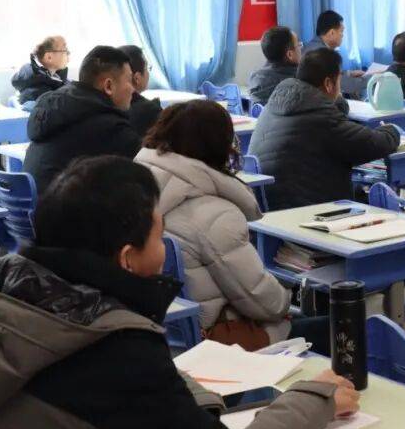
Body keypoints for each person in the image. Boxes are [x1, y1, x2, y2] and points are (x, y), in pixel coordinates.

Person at [0, 155, 358, 429]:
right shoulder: (115, 354)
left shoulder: (2, 303)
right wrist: (315, 398)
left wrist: (185, 398)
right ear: (127, 258)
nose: (165, 252)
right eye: (160, 236)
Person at [137, 100, 329, 352]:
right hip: (223, 341)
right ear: (219, 146)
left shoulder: (139, 191)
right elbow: (262, 300)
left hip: (167, 336)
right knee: (340, 328)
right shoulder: (215, 215)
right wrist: (287, 299)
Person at [248, 49, 400, 210]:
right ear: (328, 84)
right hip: (307, 208)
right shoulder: (322, 117)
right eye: (339, 80)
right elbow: (375, 144)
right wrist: (391, 130)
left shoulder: (275, 104)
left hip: (268, 206)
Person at [23, 45, 141, 193]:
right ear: (108, 86)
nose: (133, 89)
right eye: (129, 80)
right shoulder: (111, 127)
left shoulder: (54, 106)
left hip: (31, 203)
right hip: (62, 205)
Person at [304, 10, 366, 98]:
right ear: (332, 33)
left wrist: (349, 73)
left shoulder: (313, 45)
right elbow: (344, 85)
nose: (342, 35)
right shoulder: (322, 54)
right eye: (341, 31)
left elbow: (330, 75)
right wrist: (371, 78)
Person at [248, 26, 302, 107]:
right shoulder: (299, 81)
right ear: (290, 54)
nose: (301, 49)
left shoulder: (255, 77)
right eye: (299, 45)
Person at [11, 35, 70, 106]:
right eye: (65, 50)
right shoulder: (39, 94)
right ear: (49, 57)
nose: (69, 53)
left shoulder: (54, 77)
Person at [118, 44, 162, 138]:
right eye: (147, 68)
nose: (148, 73)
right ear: (137, 78)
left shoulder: (105, 105)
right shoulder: (150, 111)